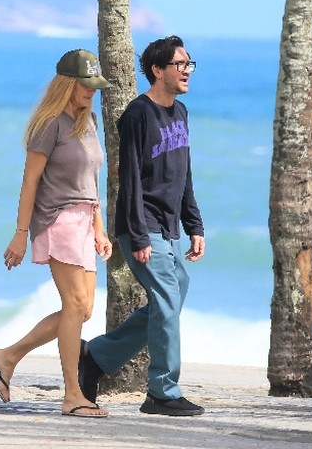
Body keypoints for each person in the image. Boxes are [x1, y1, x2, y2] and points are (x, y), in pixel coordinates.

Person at [77, 35, 207, 416]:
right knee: (167, 301)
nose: (186, 71)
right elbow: (129, 178)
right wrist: (135, 234)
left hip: (169, 227)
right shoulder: (138, 114)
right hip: (143, 225)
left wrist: (194, 224)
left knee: (171, 297)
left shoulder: (180, 113)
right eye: (180, 65)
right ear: (158, 70)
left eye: (189, 64)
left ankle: (96, 358)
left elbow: (184, 174)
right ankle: (162, 392)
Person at [0, 49, 114, 419]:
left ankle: (7, 356)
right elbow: (30, 180)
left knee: (84, 309)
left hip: (84, 220)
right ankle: (72, 394)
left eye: (95, 86)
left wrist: (100, 227)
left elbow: (92, 178)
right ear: (67, 84)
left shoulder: (88, 120)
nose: (92, 91)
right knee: (76, 304)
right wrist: (20, 232)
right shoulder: (50, 124)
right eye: (85, 85)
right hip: (57, 219)